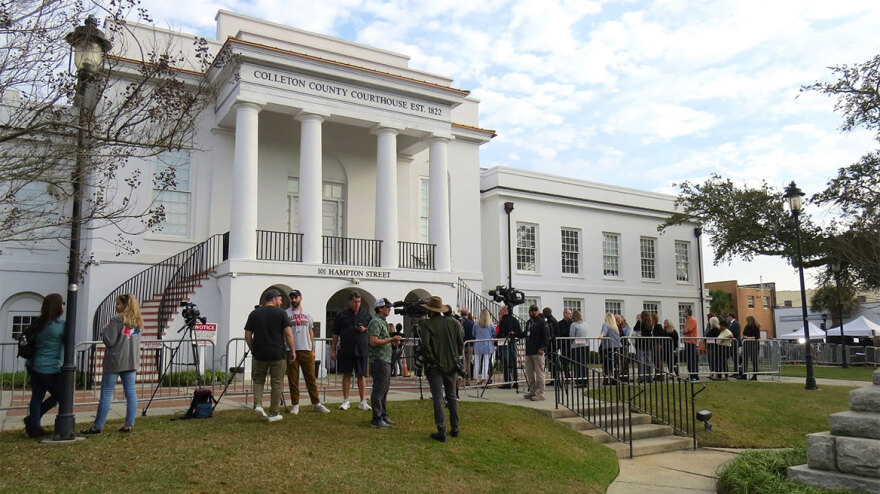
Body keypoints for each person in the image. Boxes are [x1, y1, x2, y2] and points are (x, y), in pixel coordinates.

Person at [81, 294, 144, 434]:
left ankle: (97, 426)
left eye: (118, 304)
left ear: (125, 306)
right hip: (131, 360)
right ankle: (129, 424)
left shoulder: (117, 320)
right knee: (131, 393)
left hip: (115, 360)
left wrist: (105, 329)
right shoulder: (138, 321)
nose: (116, 306)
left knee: (106, 393)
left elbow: (109, 341)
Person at [242, 289, 295, 422]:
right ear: (274, 299)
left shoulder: (254, 313)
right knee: (277, 382)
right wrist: (293, 350)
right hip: (277, 353)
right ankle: (273, 413)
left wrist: (252, 348)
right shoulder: (281, 313)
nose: (281, 301)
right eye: (280, 299)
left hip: (259, 353)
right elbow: (288, 334)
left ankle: (258, 404)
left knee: (258, 380)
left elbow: (247, 335)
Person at [419, 296, 464, 442]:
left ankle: (441, 430)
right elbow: (460, 343)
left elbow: (425, 346)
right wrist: (455, 357)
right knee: (451, 395)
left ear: (430, 310)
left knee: (438, 398)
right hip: (451, 365)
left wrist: (432, 360)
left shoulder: (427, 325)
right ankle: (455, 427)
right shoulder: (454, 322)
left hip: (435, 367)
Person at [24, 293, 65, 438]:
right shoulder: (60, 326)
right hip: (50, 367)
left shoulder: (38, 323)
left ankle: (34, 425)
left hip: (34, 365)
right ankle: (32, 420)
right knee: (60, 394)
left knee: (37, 396)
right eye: (62, 303)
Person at [285, 289, 330, 415]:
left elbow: (311, 332)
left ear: (300, 298)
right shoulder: (286, 314)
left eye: (296, 297)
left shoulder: (308, 314)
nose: (293, 300)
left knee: (310, 377)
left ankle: (317, 403)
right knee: (293, 379)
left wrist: (313, 349)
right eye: (292, 298)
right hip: (291, 350)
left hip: (306, 349)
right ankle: (295, 404)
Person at [332, 291, 372, 411]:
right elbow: (335, 334)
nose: (357, 304)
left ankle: (363, 401)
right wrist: (333, 350)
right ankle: (345, 400)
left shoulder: (366, 314)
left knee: (361, 375)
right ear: (350, 302)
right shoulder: (342, 315)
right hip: (346, 349)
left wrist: (364, 329)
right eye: (355, 302)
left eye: (359, 302)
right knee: (346, 374)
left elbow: (372, 330)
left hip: (361, 349)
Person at [367, 298, 401, 428]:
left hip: (385, 359)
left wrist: (391, 341)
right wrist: (390, 339)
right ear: (380, 308)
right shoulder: (376, 322)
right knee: (379, 389)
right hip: (379, 359)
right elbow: (373, 341)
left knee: (384, 389)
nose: (389, 309)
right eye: (387, 307)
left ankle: (383, 415)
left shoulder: (382, 322)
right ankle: (377, 418)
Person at [523, 305, 550, 401]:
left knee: (539, 373)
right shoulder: (529, 323)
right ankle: (533, 391)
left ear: (538, 312)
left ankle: (540, 393)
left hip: (538, 352)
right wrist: (515, 333)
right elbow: (525, 333)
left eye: (535, 311)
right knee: (529, 373)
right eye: (531, 311)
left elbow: (546, 337)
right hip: (529, 351)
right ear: (529, 312)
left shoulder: (542, 323)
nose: (533, 312)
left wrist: (542, 347)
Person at [496, 305, 523, 388]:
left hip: (506, 343)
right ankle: (516, 381)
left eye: (500, 311)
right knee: (514, 362)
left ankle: (507, 382)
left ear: (504, 311)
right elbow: (519, 332)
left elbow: (501, 333)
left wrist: (497, 338)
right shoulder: (515, 320)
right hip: (513, 342)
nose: (500, 312)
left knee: (506, 362)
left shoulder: (503, 321)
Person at [472, 309, 495, 385]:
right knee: (486, 362)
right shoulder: (491, 324)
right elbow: (494, 334)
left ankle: (475, 379)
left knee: (477, 362)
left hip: (478, 343)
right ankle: (484, 379)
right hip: (487, 344)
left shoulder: (476, 324)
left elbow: (473, 333)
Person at [599, 312, 622, 385]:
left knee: (607, 365)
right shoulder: (615, 326)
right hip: (617, 347)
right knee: (615, 364)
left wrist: (601, 335)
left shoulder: (605, 325)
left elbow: (604, 332)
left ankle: (606, 380)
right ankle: (615, 379)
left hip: (608, 347)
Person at [633, 311, 654, 383]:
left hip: (641, 343)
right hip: (649, 344)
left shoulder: (640, 323)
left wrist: (638, 321)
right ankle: (650, 377)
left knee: (641, 360)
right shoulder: (650, 323)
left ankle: (641, 377)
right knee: (649, 360)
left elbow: (635, 329)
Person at [569, 310, 588, 386]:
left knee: (577, 364)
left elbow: (572, 336)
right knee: (584, 363)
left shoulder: (574, 325)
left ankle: (579, 380)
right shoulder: (585, 324)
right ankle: (584, 379)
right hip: (585, 345)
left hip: (576, 345)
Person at [682, 308, 700, 381]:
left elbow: (686, 331)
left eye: (684, 312)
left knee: (692, 359)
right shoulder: (687, 321)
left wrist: (685, 330)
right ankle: (691, 375)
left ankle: (694, 375)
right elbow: (684, 331)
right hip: (687, 341)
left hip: (692, 342)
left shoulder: (692, 320)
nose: (683, 313)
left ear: (687, 312)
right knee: (689, 359)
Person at [742, 316, 761, 380]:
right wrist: (744, 337)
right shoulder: (746, 327)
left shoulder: (756, 327)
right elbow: (744, 333)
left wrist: (748, 338)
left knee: (754, 361)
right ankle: (744, 374)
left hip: (754, 346)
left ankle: (755, 375)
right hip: (746, 345)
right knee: (745, 360)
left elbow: (757, 337)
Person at [460, 309, 475, 384]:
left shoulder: (459, 322)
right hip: (470, 344)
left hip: (462, 344)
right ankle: (467, 379)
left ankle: (462, 377)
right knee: (468, 362)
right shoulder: (472, 323)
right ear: (467, 314)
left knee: (462, 362)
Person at [726, 313, 743, 379]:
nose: (727, 318)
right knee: (732, 358)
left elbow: (736, 333)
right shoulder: (729, 324)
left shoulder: (736, 324)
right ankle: (735, 371)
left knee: (735, 358)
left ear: (730, 316)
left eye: (728, 317)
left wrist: (730, 335)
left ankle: (737, 372)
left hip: (735, 343)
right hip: (730, 343)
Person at [706, 316, 721, 380]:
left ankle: (716, 374)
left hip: (714, 347)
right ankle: (712, 373)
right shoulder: (712, 330)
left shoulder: (716, 330)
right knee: (711, 360)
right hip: (711, 347)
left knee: (714, 361)